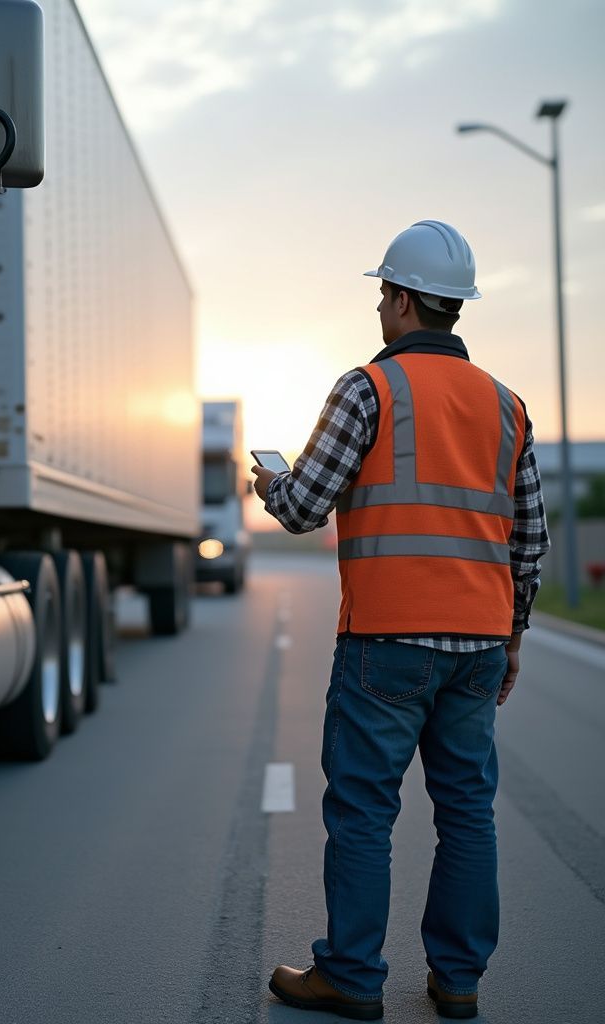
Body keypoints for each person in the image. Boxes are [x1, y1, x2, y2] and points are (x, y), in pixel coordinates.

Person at [252, 220, 549, 1021]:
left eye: (385, 291)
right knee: (466, 813)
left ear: (408, 300)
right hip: (481, 644)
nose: (380, 305)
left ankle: (350, 975)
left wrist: (266, 484)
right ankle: (458, 980)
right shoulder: (507, 405)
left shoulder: (368, 388)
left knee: (361, 812)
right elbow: (530, 541)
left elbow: (305, 505)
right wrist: (513, 637)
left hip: (386, 643)